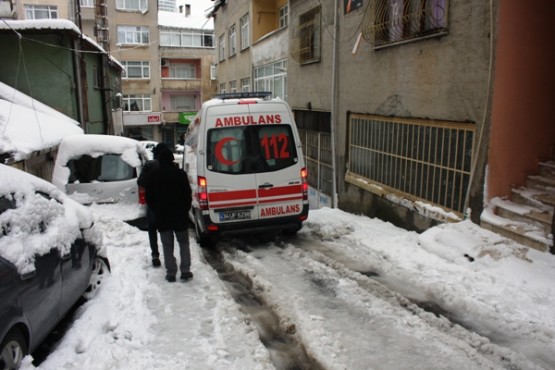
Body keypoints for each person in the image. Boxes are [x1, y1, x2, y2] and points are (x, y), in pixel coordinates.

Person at [145, 147, 193, 282]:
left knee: (167, 245)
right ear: (172, 160)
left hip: (162, 216)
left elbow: (149, 199)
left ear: (159, 160)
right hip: (180, 216)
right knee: (183, 242)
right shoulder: (180, 174)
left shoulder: (152, 176)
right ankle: (185, 270)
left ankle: (171, 273)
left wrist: (157, 210)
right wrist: (185, 210)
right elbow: (187, 195)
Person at [137, 143, 169, 267]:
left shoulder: (149, 165)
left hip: (153, 204)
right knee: (167, 230)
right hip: (167, 204)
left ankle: (155, 255)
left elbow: (140, 181)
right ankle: (169, 255)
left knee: (152, 230)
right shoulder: (171, 165)